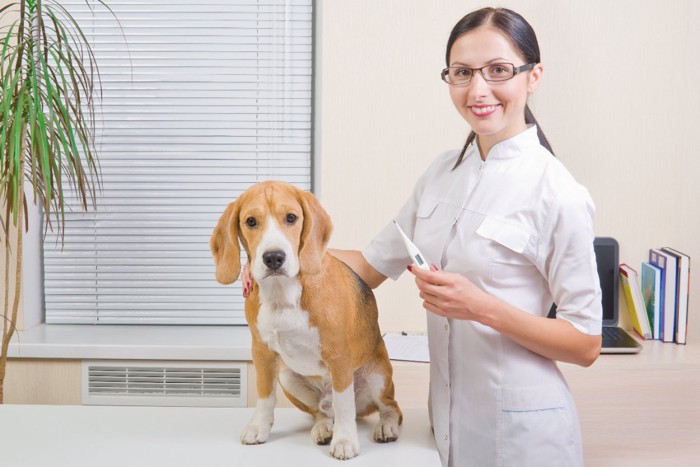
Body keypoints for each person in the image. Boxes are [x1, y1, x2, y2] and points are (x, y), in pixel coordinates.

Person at [244, 7, 602, 467]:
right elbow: (370, 268)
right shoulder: (441, 174)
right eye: (462, 72)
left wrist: (480, 307)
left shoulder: (558, 193)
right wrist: (278, 263)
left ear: (533, 77)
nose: (478, 89)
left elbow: (586, 342)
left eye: (498, 71)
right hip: (444, 423)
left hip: (523, 433)